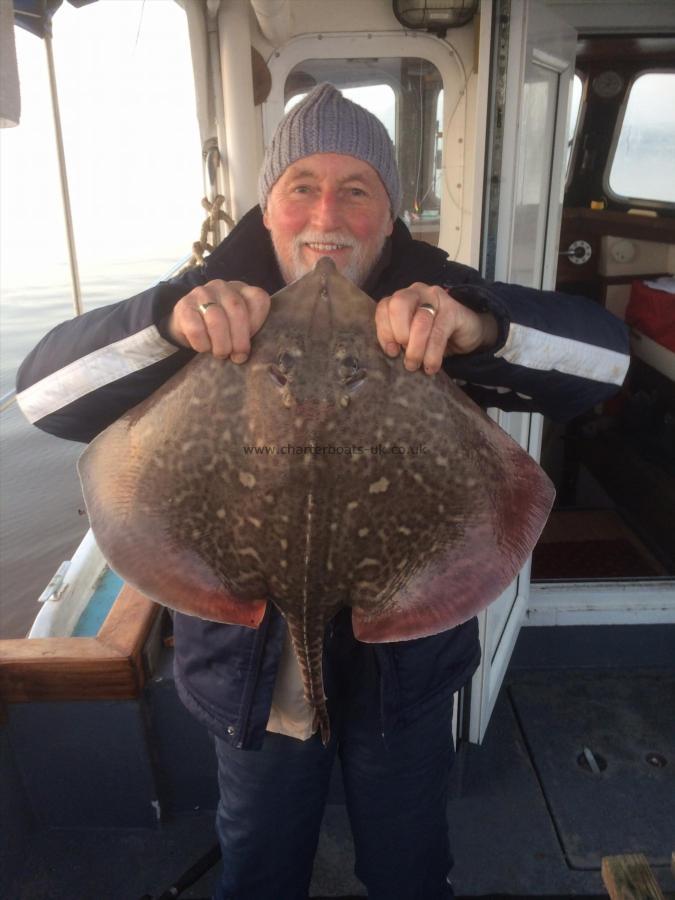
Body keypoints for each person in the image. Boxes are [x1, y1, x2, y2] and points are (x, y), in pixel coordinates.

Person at [16, 84, 630, 900]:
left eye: (356, 189)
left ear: (391, 208)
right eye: (300, 185)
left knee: (408, 858)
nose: (324, 212)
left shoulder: (438, 294)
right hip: (248, 664)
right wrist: (168, 321)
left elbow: (603, 366)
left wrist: (480, 327)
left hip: (407, 647)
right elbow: (41, 398)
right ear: (266, 206)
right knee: (261, 856)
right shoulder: (202, 296)